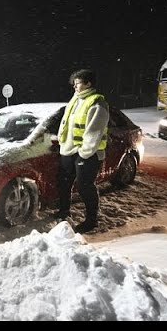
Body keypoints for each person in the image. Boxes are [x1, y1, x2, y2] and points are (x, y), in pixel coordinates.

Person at [55, 69, 109, 233]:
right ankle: (64, 212)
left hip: (87, 154)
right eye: (74, 83)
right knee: (64, 182)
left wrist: (84, 153)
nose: (75, 87)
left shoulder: (97, 104)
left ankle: (91, 221)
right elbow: (66, 122)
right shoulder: (75, 100)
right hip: (69, 150)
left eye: (77, 83)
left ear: (88, 83)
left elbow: (94, 133)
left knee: (85, 187)